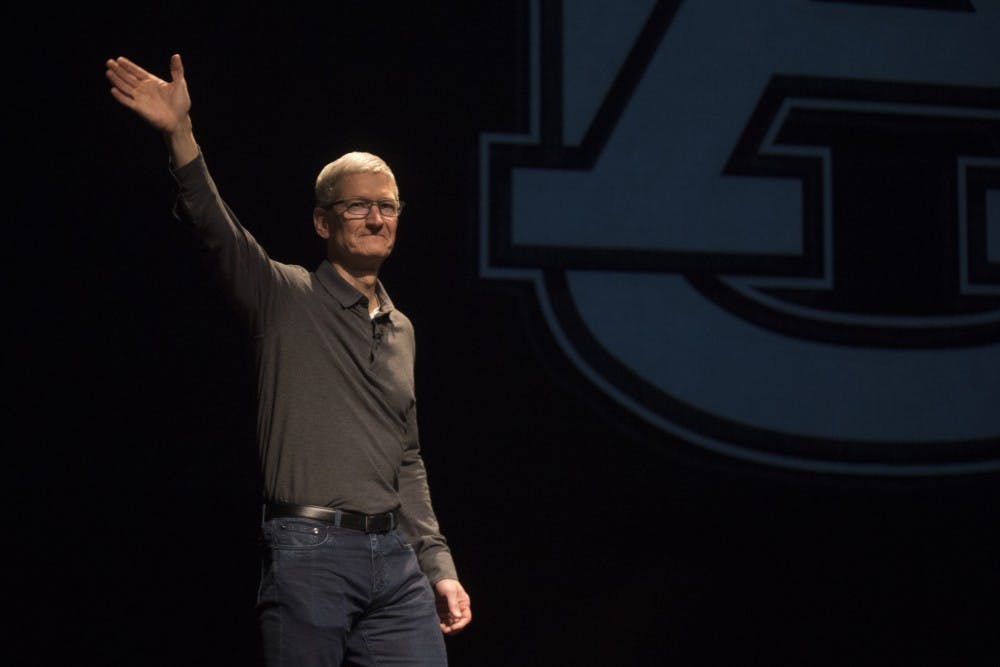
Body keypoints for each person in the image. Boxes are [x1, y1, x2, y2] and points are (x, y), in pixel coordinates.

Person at [105, 53, 472, 666]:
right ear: (322, 221)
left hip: (395, 560)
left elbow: (406, 457)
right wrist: (179, 133)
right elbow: (217, 230)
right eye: (357, 206)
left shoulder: (402, 327)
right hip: (311, 549)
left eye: (387, 206)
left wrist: (438, 565)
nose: (376, 218)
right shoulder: (284, 297)